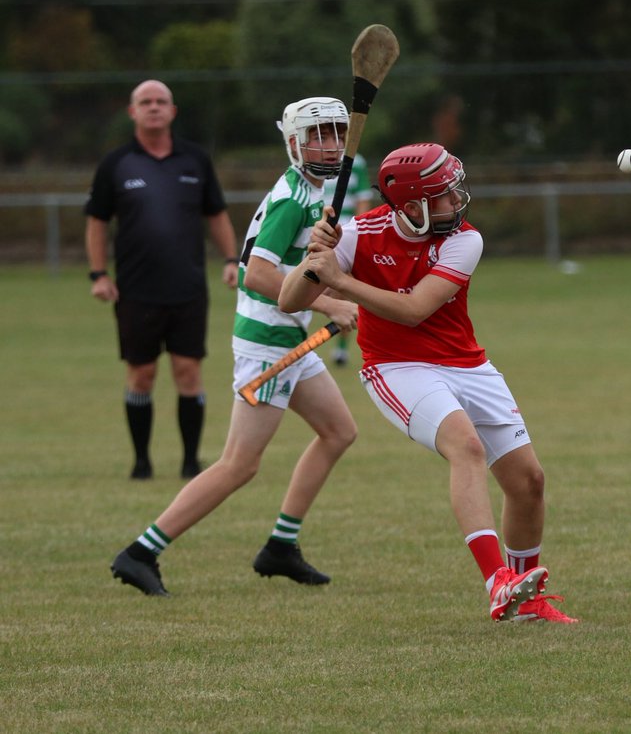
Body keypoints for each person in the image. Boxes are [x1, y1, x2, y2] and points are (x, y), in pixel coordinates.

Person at [279, 142, 577, 624]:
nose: (455, 201)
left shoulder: (465, 240)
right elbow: (291, 300)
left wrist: (343, 280)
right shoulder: (357, 234)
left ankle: (526, 604)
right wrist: (315, 257)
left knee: (529, 482)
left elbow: (415, 309)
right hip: (396, 367)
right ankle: (498, 581)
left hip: (467, 365)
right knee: (466, 446)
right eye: (442, 195)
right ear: (412, 205)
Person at [110, 97, 360, 597]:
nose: (329, 146)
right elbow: (258, 273)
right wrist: (331, 306)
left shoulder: (315, 192)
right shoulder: (294, 198)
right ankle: (140, 553)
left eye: (336, 134)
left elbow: (305, 271)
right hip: (268, 344)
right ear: (293, 143)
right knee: (239, 465)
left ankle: (280, 548)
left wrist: (336, 291)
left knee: (338, 431)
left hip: (289, 335)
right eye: (317, 136)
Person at [85, 79, 240, 481]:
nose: (153, 107)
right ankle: (142, 462)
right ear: (132, 112)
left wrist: (230, 259)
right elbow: (97, 222)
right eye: (145, 102)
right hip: (136, 290)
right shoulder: (116, 164)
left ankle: (191, 462)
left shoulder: (195, 160)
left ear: (172, 111)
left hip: (188, 288)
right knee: (142, 374)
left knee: (189, 371)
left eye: (161, 101)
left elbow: (216, 214)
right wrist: (99, 273)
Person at [332, 152, 377, 367]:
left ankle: (341, 349)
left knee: (343, 293)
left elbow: (363, 199)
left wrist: (358, 232)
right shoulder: (312, 158)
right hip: (314, 234)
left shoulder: (356, 162)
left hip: (344, 236)